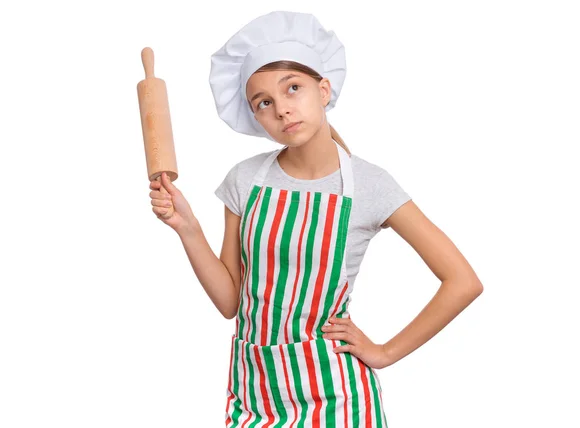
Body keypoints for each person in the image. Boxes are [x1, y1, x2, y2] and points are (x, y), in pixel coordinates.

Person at [148, 10, 484, 427]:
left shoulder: (369, 185)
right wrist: (188, 229)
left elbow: (463, 281)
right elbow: (231, 302)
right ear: (255, 117)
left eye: (294, 89)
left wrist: (384, 352)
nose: (283, 110)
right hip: (256, 392)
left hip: (337, 397)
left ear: (324, 90)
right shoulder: (245, 179)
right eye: (265, 103)